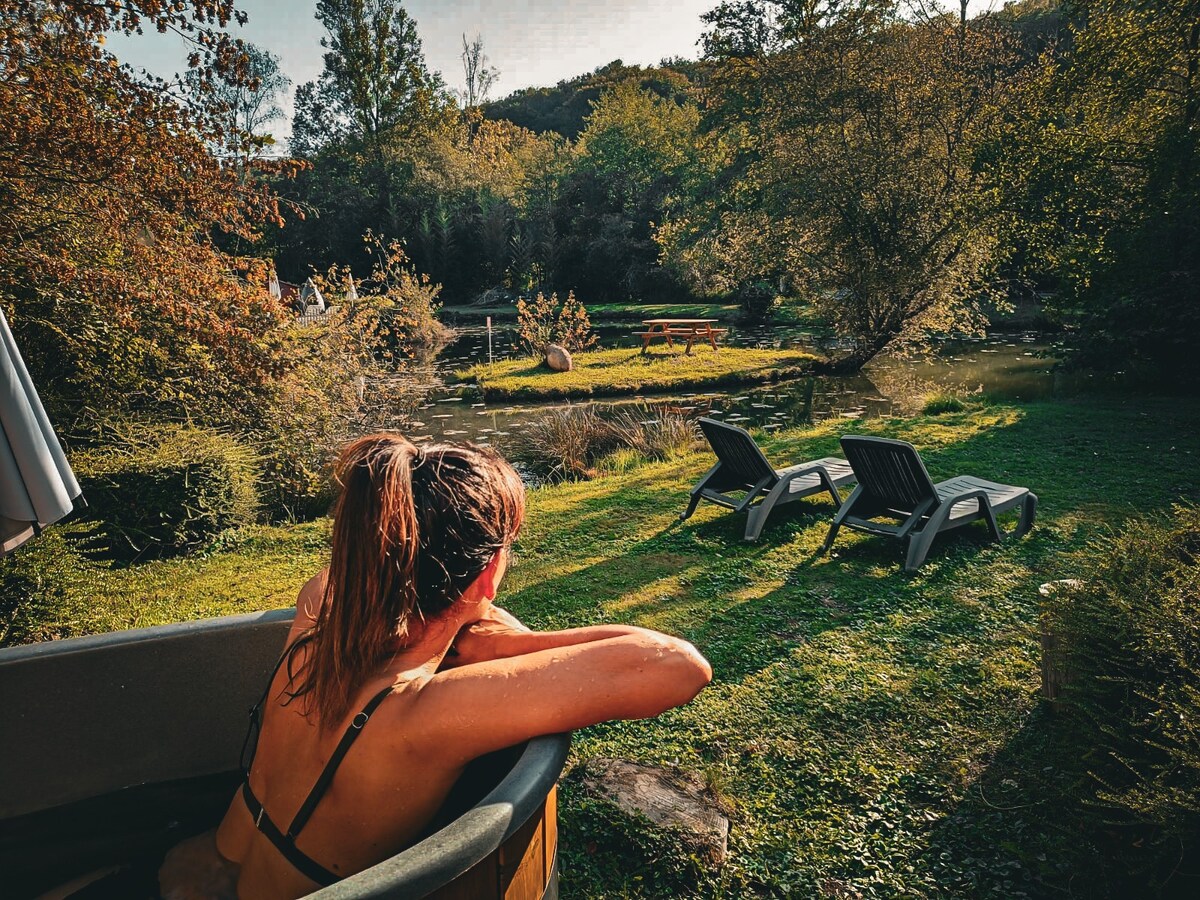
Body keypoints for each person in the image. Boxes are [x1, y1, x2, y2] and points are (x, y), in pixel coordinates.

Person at [159, 434, 712, 899]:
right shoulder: (421, 715)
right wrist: (502, 643)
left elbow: (352, 580)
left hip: (196, 865)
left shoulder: (318, 620)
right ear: (488, 575)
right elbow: (673, 665)